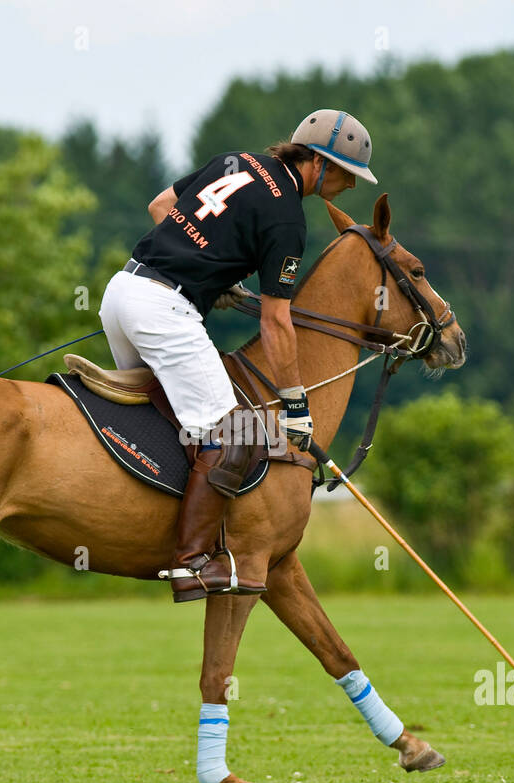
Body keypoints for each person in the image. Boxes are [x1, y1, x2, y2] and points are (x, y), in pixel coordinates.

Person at [98, 109, 378, 603]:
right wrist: (294, 405)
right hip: (165, 309)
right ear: (319, 164)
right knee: (234, 434)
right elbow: (275, 323)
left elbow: (161, 205)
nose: (351, 188)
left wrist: (208, 272)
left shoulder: (236, 161)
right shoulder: (288, 218)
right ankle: (190, 564)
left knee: (170, 426)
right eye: (347, 174)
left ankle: (145, 525)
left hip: (123, 292)